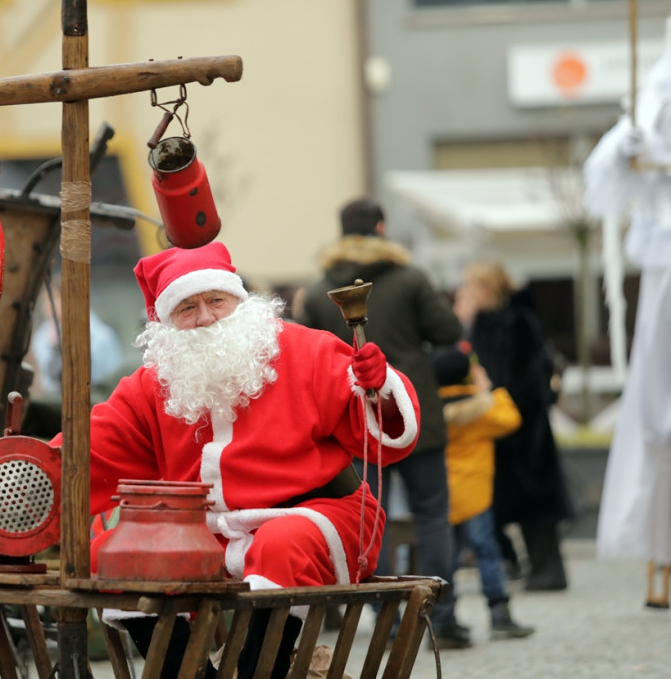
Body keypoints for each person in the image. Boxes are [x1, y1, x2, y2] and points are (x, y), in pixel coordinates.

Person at [54, 241, 421, 679]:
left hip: (318, 515)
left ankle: (255, 673)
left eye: (216, 301)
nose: (206, 317)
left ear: (241, 301)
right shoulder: (153, 383)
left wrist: (379, 387)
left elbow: (383, 431)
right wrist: (7, 483)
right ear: (166, 324)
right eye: (186, 308)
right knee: (111, 554)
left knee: (281, 543)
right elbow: (87, 451)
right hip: (209, 534)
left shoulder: (307, 350)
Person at [582, 0, 671, 581]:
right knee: (657, 388)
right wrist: (629, 146)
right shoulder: (659, 85)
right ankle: (650, 531)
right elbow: (616, 153)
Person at [295, 198, 469, 648]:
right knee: (432, 514)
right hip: (415, 416)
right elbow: (449, 331)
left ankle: (386, 619)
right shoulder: (411, 279)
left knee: (371, 519)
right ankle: (441, 617)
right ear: (382, 227)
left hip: (350, 420)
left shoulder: (317, 293)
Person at [455, 260, 573, 591]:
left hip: (525, 426)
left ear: (487, 288)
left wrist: (495, 393)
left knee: (536, 505)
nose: (467, 293)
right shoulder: (487, 322)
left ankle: (549, 570)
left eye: (472, 286)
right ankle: (537, 567)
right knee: (518, 503)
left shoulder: (517, 320)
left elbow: (523, 374)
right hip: (504, 424)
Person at [433, 344, 535, 640]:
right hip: (476, 494)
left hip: (444, 495)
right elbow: (511, 419)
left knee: (446, 559)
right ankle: (498, 613)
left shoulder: (432, 408)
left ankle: (445, 616)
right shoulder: (480, 410)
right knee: (487, 552)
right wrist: (489, 388)